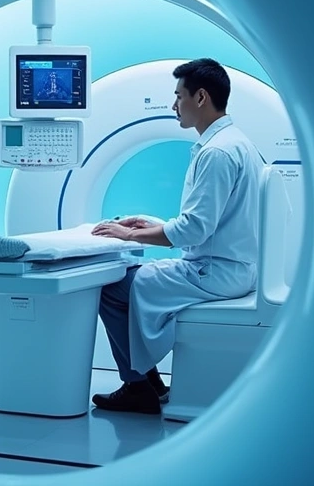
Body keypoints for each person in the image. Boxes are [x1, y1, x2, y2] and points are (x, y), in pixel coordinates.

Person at [89, 58, 264, 414]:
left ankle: (137, 386)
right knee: (128, 282)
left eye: (178, 96)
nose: (173, 106)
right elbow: (213, 223)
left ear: (200, 97)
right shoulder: (238, 143)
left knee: (110, 288)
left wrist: (128, 236)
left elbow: (195, 230)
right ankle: (148, 380)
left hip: (214, 273)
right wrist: (149, 223)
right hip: (235, 267)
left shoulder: (216, 153)